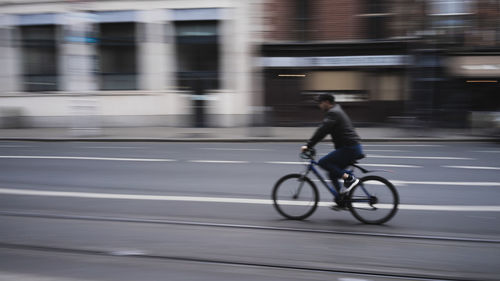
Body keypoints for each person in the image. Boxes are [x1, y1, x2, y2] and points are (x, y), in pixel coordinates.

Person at [301, 93, 364, 194]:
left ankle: (349, 179)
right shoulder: (336, 110)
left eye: (320, 103)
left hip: (349, 148)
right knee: (333, 173)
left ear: (326, 102)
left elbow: (322, 131)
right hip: (351, 147)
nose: (319, 105)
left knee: (323, 162)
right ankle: (341, 198)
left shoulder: (333, 113)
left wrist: (308, 145)